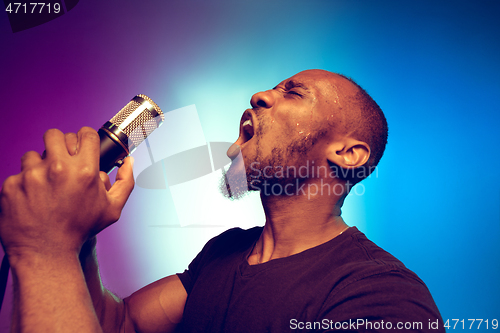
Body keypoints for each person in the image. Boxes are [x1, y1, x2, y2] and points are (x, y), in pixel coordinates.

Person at [0, 69, 444, 332]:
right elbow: (120, 327)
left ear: (348, 153)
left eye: (293, 92)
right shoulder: (226, 253)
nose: (259, 95)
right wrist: (76, 236)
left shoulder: (380, 297)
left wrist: (43, 248)